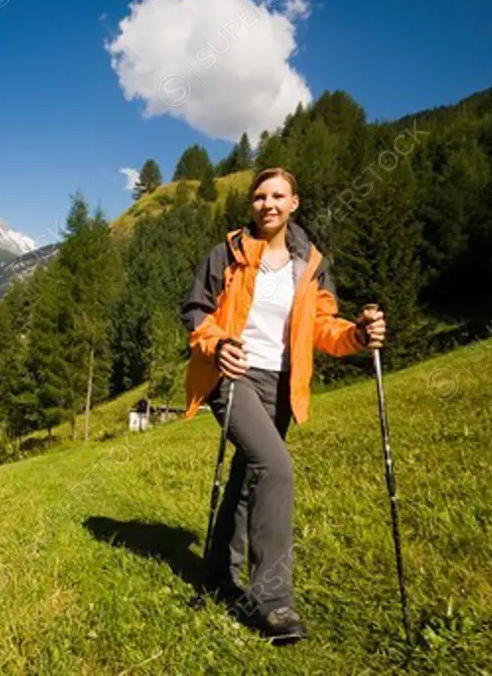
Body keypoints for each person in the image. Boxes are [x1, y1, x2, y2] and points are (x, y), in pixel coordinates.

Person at [179, 167, 386, 644]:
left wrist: (357, 335)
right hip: (231, 375)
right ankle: (273, 601)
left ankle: (217, 573)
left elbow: (323, 326)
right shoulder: (227, 254)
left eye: (278, 196)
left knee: (249, 476)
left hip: (281, 383)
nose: (267, 204)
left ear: (294, 203)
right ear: (250, 205)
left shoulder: (310, 263)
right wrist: (216, 343)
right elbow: (195, 311)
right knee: (276, 468)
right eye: (259, 196)